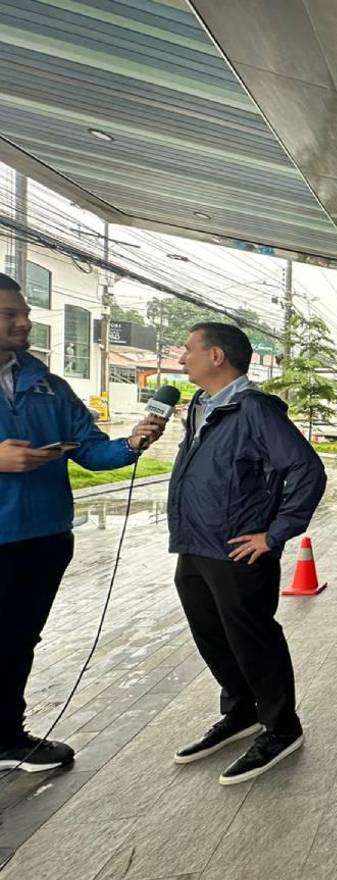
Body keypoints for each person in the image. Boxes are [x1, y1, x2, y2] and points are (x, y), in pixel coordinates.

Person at [0, 273, 166, 772]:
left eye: (25, 312)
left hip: (45, 537)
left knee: (18, 639)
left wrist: (131, 444)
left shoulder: (47, 384)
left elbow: (90, 448)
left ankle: (7, 736)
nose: (25, 322)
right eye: (10, 315)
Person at [168, 322, 326, 786]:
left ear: (217, 356)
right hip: (195, 545)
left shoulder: (253, 409)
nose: (182, 359)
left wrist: (273, 534)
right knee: (211, 633)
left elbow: (306, 470)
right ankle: (241, 711)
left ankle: (281, 726)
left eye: (189, 350)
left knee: (252, 636)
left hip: (239, 549)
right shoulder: (200, 406)